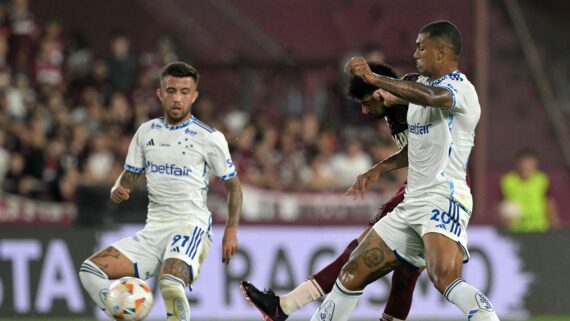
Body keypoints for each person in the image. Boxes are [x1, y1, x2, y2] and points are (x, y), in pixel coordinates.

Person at [308, 20, 500, 321]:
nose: (415, 54)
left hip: (443, 197)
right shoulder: (420, 88)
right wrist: (379, 169)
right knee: (351, 274)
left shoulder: (460, 90)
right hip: (412, 202)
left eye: (421, 47)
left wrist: (375, 78)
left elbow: (432, 98)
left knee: (444, 278)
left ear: (441, 51)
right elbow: (417, 148)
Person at [241, 62, 422, 321]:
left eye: (365, 102)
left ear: (378, 92)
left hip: (435, 193)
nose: (363, 109)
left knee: (364, 255)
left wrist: (379, 168)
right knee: (405, 273)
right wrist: (379, 169)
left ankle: (285, 306)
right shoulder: (393, 113)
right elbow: (415, 150)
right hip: (416, 187)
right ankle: (284, 306)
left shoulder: (412, 98)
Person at [78, 62, 243, 321]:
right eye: (171, 90)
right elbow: (131, 174)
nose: (177, 98)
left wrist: (231, 229)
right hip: (154, 231)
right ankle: (122, 307)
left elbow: (233, 186)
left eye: (185, 91)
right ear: (160, 94)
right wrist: (119, 187)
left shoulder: (209, 138)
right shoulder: (146, 133)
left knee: (170, 283)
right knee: (89, 271)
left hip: (191, 225)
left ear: (194, 96)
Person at [499, 149, 560, 232]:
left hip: (539, 227)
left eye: (529, 165)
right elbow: (501, 203)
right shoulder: (508, 181)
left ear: (535, 165)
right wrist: (504, 219)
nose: (526, 168)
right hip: (516, 229)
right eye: (523, 165)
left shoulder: (542, 180)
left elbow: (549, 203)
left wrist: (554, 225)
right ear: (517, 164)